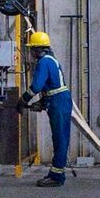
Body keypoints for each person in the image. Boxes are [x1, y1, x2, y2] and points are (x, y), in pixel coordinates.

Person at [20, 29, 72, 188]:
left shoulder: (43, 62)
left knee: (60, 139)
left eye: (32, 49)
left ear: (38, 49)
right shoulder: (51, 60)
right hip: (58, 100)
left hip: (58, 102)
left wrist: (23, 100)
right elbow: (51, 87)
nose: (31, 52)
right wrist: (43, 103)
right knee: (60, 138)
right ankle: (56, 173)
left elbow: (36, 86)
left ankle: (57, 176)